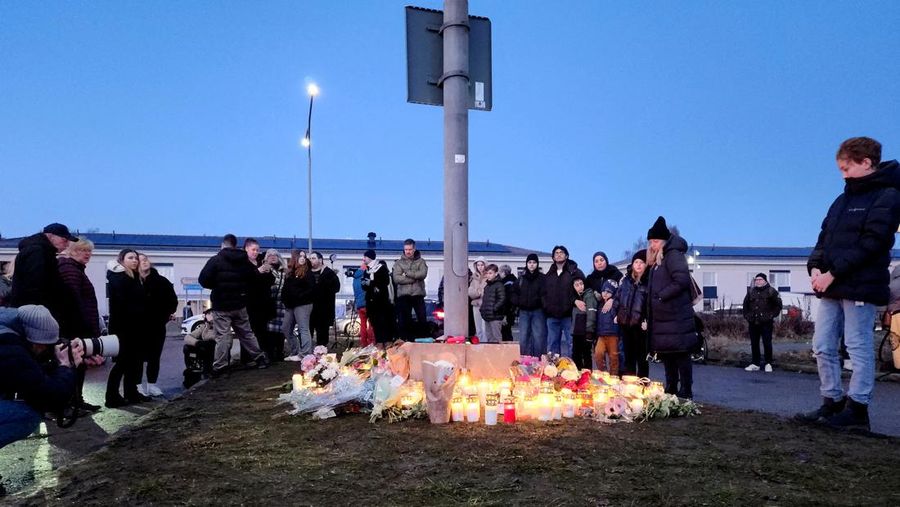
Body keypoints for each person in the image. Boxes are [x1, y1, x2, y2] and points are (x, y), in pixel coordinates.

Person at [796, 137, 900, 431]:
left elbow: (873, 243)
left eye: (846, 168)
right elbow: (824, 237)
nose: (843, 174)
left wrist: (834, 273)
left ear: (866, 163)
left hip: (860, 286)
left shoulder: (888, 196)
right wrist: (815, 266)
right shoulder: (842, 200)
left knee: (857, 346)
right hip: (831, 284)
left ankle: (858, 408)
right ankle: (832, 402)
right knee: (823, 345)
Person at [1, 305, 83, 449]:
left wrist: (55, 364)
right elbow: (50, 397)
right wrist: (65, 366)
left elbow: (29, 375)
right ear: (34, 340)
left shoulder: (7, 328)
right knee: (28, 415)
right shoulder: (9, 348)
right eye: (44, 345)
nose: (44, 350)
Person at [198, 234, 270, 376]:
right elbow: (250, 277)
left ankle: (221, 366)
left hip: (221, 304)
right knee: (247, 334)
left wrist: (216, 285)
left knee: (223, 336)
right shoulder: (243, 260)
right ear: (235, 245)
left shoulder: (215, 260)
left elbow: (203, 280)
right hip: (239, 303)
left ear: (223, 245)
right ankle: (260, 358)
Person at [646, 216, 697, 399]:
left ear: (665, 240)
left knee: (681, 354)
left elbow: (681, 280)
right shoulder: (659, 260)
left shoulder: (673, 255)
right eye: (651, 241)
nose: (653, 245)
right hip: (664, 318)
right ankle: (671, 386)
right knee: (667, 354)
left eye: (656, 241)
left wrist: (661, 296)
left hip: (675, 315)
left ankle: (686, 389)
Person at [57, 237, 103, 412]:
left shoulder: (75, 269)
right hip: (75, 329)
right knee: (74, 365)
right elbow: (74, 302)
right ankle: (71, 403)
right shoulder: (70, 270)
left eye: (89, 251)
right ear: (71, 250)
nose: (87, 254)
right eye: (82, 250)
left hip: (76, 328)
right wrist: (86, 329)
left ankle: (76, 400)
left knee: (78, 365)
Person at [105, 249, 150, 407]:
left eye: (136, 258)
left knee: (134, 362)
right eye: (130, 258)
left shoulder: (134, 277)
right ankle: (111, 396)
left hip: (135, 327)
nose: (135, 260)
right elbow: (124, 303)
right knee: (123, 363)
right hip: (124, 328)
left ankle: (131, 392)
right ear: (122, 260)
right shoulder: (119, 277)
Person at [8, 223, 78, 324]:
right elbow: (35, 285)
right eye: (64, 240)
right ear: (50, 236)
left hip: (34, 312)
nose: (67, 245)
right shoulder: (38, 252)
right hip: (35, 316)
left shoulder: (40, 251)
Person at [138, 254, 177, 397]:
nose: (144, 262)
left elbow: (172, 300)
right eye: (141, 261)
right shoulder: (134, 282)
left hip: (157, 325)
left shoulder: (162, 281)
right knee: (138, 358)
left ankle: (151, 385)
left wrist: (164, 316)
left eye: (145, 259)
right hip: (139, 326)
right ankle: (138, 386)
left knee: (154, 356)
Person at [543, 245, 584, 358]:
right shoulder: (549, 275)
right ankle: (553, 370)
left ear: (566, 255)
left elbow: (582, 290)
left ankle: (571, 369)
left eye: (561, 252)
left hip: (569, 315)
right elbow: (543, 293)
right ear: (553, 257)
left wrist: (574, 302)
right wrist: (546, 307)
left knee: (572, 343)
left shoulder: (574, 272)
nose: (559, 254)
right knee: (552, 345)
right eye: (556, 253)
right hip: (552, 316)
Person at [616, 249, 650, 378]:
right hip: (626, 325)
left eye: (642, 262)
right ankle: (630, 386)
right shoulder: (626, 281)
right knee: (628, 358)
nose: (639, 265)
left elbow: (650, 304)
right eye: (636, 262)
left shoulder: (649, 281)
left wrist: (647, 320)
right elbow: (618, 299)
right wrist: (617, 314)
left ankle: (643, 385)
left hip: (640, 326)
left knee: (642, 358)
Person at [243, 239, 276, 364]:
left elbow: (271, 281)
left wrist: (267, 273)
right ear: (246, 249)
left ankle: (264, 355)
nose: (256, 252)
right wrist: (258, 272)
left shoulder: (259, 262)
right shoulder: (243, 263)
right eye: (253, 250)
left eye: (257, 250)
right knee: (249, 332)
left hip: (264, 303)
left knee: (263, 331)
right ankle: (248, 358)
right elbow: (245, 280)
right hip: (250, 303)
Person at [742, 273, 783, 373]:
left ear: (765, 281)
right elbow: (745, 305)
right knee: (754, 343)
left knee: (767, 342)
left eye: (760, 280)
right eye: (756, 280)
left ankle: (768, 363)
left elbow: (778, 305)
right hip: (753, 322)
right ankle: (755, 363)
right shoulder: (751, 291)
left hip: (766, 323)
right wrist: (748, 317)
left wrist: (771, 316)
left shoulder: (771, 291)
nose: (758, 281)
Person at [392, 239, 429, 340]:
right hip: (404, 295)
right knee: (404, 320)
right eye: (406, 249)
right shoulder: (398, 263)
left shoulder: (421, 261)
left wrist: (407, 273)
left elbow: (423, 274)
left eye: (410, 249)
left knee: (422, 319)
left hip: (418, 294)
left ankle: (423, 340)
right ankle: (405, 340)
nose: (408, 251)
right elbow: (396, 278)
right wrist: (414, 278)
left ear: (414, 249)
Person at [281, 250, 314, 360]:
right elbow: (286, 288)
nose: (303, 258)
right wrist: (285, 299)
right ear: (295, 257)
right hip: (290, 305)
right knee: (286, 327)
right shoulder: (290, 273)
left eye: (304, 256)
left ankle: (305, 354)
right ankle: (295, 351)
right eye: (300, 256)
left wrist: (299, 296)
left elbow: (311, 289)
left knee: (303, 328)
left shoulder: (307, 272)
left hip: (303, 304)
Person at [511, 254, 546, 357]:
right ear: (526, 264)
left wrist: (542, 303)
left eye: (534, 263)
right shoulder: (521, 279)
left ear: (537, 264)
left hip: (538, 311)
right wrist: (518, 301)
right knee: (523, 337)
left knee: (538, 337)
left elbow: (546, 293)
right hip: (524, 311)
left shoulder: (542, 278)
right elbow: (513, 292)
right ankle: (524, 360)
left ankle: (538, 360)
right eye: (529, 262)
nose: (532, 265)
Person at [362, 250, 394, 347]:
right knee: (374, 322)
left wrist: (371, 283)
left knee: (383, 322)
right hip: (371, 302)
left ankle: (386, 341)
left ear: (370, 257)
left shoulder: (381, 268)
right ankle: (379, 341)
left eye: (365, 257)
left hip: (381, 302)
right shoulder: (367, 270)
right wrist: (364, 284)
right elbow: (364, 285)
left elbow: (385, 281)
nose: (364, 259)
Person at [308, 252, 340, 347]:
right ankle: (307, 352)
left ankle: (321, 352)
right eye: (310, 258)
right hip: (309, 308)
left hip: (324, 310)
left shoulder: (328, 273)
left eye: (313, 258)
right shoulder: (307, 272)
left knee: (322, 334)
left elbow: (336, 288)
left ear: (320, 260)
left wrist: (323, 279)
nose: (311, 260)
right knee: (307, 331)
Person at [263, 249, 287, 361]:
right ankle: (270, 352)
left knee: (281, 330)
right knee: (270, 329)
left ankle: (280, 352)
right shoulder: (264, 270)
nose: (272, 257)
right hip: (269, 303)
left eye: (275, 255)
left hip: (282, 304)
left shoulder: (284, 272)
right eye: (270, 255)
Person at [182, 309, 217, 387]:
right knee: (188, 348)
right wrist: (197, 343)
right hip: (202, 350)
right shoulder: (203, 327)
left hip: (214, 352)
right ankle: (193, 369)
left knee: (209, 345)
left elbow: (216, 338)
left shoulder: (220, 327)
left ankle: (206, 371)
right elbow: (188, 337)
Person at [594, 279, 620, 375]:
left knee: (613, 357)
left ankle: (614, 376)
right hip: (601, 335)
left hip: (613, 335)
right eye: (604, 291)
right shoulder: (600, 303)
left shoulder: (616, 303)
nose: (605, 293)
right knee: (598, 354)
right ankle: (604, 373)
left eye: (609, 292)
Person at [571, 275, 598, 370]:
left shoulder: (589, 295)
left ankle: (587, 376)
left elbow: (592, 314)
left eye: (581, 284)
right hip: (577, 332)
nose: (580, 286)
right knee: (576, 355)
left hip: (586, 332)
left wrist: (589, 331)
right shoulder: (576, 298)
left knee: (586, 355)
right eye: (577, 285)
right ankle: (577, 375)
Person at [479, 264, 506, 343]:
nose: (488, 275)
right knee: (489, 338)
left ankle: (499, 354)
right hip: (487, 315)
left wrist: (494, 308)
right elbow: (485, 300)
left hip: (495, 316)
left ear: (496, 273)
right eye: (487, 273)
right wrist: (482, 309)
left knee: (496, 338)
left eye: (490, 273)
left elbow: (502, 299)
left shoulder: (499, 285)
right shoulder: (487, 286)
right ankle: (491, 354)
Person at [352, 255, 373, 347]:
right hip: (367, 303)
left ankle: (363, 344)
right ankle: (371, 343)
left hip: (359, 304)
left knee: (363, 325)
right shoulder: (366, 275)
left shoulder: (355, 278)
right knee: (371, 325)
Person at [467, 257, 487, 338]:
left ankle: (485, 345)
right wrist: (478, 292)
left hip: (485, 305)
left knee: (485, 328)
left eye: (482, 265)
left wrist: (479, 292)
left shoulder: (488, 276)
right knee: (478, 328)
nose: (480, 267)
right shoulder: (473, 277)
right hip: (476, 305)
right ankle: (480, 346)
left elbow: (487, 291)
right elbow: (470, 292)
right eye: (478, 265)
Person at [498, 265, 518, 342]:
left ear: (503, 273)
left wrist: (505, 315)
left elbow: (506, 300)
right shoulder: (514, 280)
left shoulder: (507, 283)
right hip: (511, 311)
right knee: (507, 332)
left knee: (506, 333)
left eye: (500, 272)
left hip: (507, 312)